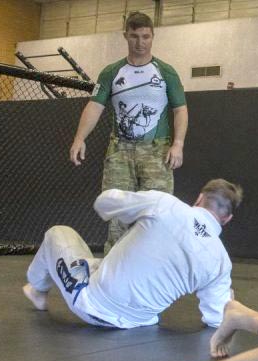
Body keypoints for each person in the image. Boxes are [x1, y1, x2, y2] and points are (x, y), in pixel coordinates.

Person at [22, 179, 242, 329]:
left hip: (92, 304)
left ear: (199, 198)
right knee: (99, 262)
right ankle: (45, 286)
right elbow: (217, 318)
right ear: (228, 219)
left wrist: (132, 212)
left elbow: (103, 202)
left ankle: (37, 289)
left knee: (59, 233)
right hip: (140, 322)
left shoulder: (165, 204)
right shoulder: (221, 262)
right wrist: (226, 300)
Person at [69, 11, 188, 254]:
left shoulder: (165, 72)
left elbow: (180, 110)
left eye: (146, 36)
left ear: (152, 36)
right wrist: (79, 138)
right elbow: (95, 106)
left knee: (158, 212)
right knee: (118, 213)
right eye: (135, 36)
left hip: (157, 152)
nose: (140, 43)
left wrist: (178, 144)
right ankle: (113, 272)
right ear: (126, 36)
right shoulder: (112, 72)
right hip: (120, 151)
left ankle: (153, 270)